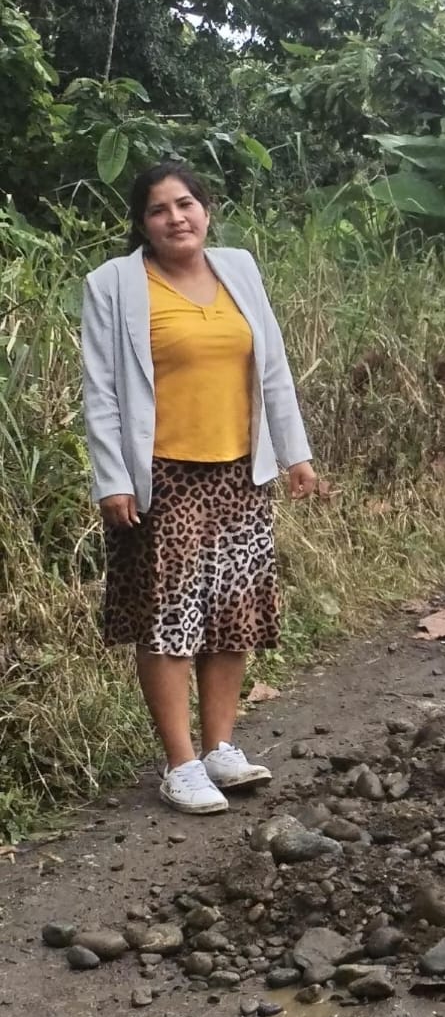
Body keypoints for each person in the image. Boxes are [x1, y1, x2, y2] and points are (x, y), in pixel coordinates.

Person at [80, 161, 317, 815]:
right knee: (170, 619)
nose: (175, 218)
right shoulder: (114, 284)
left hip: (241, 470)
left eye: (185, 204)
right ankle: (180, 764)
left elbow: (272, 368)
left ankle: (219, 748)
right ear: (142, 223)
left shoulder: (238, 268)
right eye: (159, 209)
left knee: (233, 614)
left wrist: (295, 454)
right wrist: (113, 479)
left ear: (206, 210)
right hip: (162, 477)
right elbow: (101, 391)